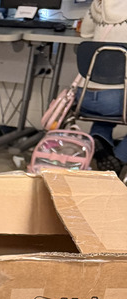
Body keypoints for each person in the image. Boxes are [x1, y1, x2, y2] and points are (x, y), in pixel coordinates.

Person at [77, 0, 127, 174]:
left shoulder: (99, 3)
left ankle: (100, 138)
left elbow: (85, 33)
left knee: (109, 83)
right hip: (118, 101)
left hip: (83, 98)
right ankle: (121, 158)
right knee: (118, 89)